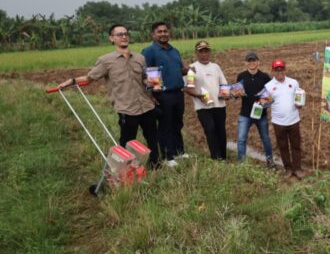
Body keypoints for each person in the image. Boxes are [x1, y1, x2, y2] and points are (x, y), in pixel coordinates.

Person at [56, 24, 159, 167]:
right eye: (119, 34)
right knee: (127, 142)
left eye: (125, 33)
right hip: (127, 108)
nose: (124, 36)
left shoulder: (140, 58)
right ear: (112, 38)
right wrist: (71, 81)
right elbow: (89, 78)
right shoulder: (106, 61)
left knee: (153, 139)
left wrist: (154, 84)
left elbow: (144, 79)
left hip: (146, 106)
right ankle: (123, 172)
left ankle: (155, 165)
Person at [141, 21, 187, 166]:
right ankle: (168, 156)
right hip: (163, 94)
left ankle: (179, 151)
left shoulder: (174, 50)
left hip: (178, 92)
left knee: (177, 123)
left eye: (165, 31)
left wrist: (187, 70)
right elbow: (145, 74)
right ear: (153, 34)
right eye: (159, 32)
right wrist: (151, 95)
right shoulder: (149, 51)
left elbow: (179, 69)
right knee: (165, 125)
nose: (163, 34)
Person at [263, 59, 306, 179]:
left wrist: (300, 104)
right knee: (283, 146)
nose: (279, 72)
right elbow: (264, 103)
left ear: (285, 69)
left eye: (281, 69)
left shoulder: (294, 82)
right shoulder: (268, 86)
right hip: (278, 122)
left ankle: (297, 169)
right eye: (276, 70)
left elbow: (299, 99)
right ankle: (288, 168)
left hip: (293, 120)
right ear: (272, 71)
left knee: (296, 145)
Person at [186, 41, 228, 160]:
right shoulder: (192, 68)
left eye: (206, 51)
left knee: (221, 131)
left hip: (219, 105)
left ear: (210, 52)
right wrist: (200, 96)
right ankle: (216, 157)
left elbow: (223, 84)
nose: (204, 54)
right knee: (210, 130)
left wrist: (226, 94)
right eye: (201, 52)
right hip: (203, 107)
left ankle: (223, 157)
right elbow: (188, 88)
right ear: (196, 53)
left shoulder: (216, 67)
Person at [236, 51, 275, 166]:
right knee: (241, 139)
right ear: (245, 63)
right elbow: (237, 93)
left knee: (265, 138)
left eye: (254, 60)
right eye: (249, 61)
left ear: (258, 62)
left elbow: (270, 95)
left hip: (261, 114)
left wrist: (266, 100)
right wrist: (236, 93)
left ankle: (270, 161)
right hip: (245, 114)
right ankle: (241, 163)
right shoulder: (241, 76)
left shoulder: (265, 77)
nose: (252, 63)